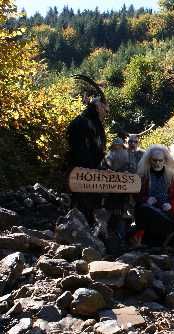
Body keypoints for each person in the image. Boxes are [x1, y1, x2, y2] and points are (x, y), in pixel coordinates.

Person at [65, 74, 109, 223]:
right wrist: (91, 169)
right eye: (105, 110)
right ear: (97, 107)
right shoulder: (86, 123)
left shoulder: (90, 122)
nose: (106, 113)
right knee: (82, 206)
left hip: (86, 174)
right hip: (84, 174)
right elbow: (84, 150)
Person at [134, 144, 174, 248]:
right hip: (147, 215)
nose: (157, 163)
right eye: (154, 160)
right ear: (150, 160)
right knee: (142, 211)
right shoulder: (143, 176)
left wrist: (171, 205)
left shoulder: (171, 177)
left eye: (160, 160)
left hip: (166, 213)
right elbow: (136, 195)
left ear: (164, 161)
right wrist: (146, 199)